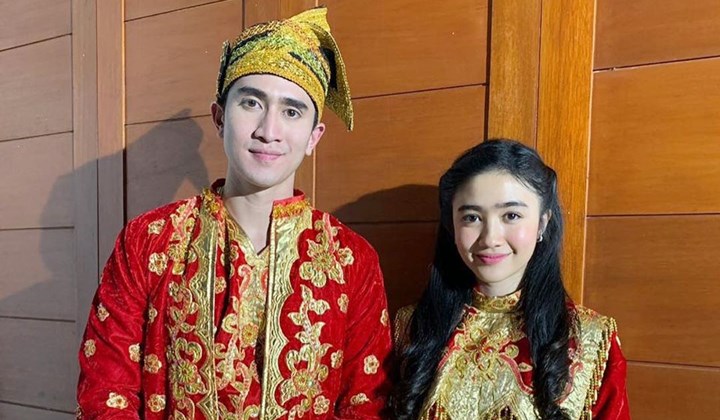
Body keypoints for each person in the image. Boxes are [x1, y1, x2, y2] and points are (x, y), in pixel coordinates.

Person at [77, 7, 393, 419]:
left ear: (314, 137)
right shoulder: (149, 241)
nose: (268, 130)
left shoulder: (351, 261)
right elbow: (106, 395)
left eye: (292, 111)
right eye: (251, 103)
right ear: (220, 117)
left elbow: (366, 404)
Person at [391, 139, 629, 419]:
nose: (490, 238)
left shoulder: (590, 338)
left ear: (542, 223)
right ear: (451, 225)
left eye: (511, 215)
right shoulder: (412, 328)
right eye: (472, 217)